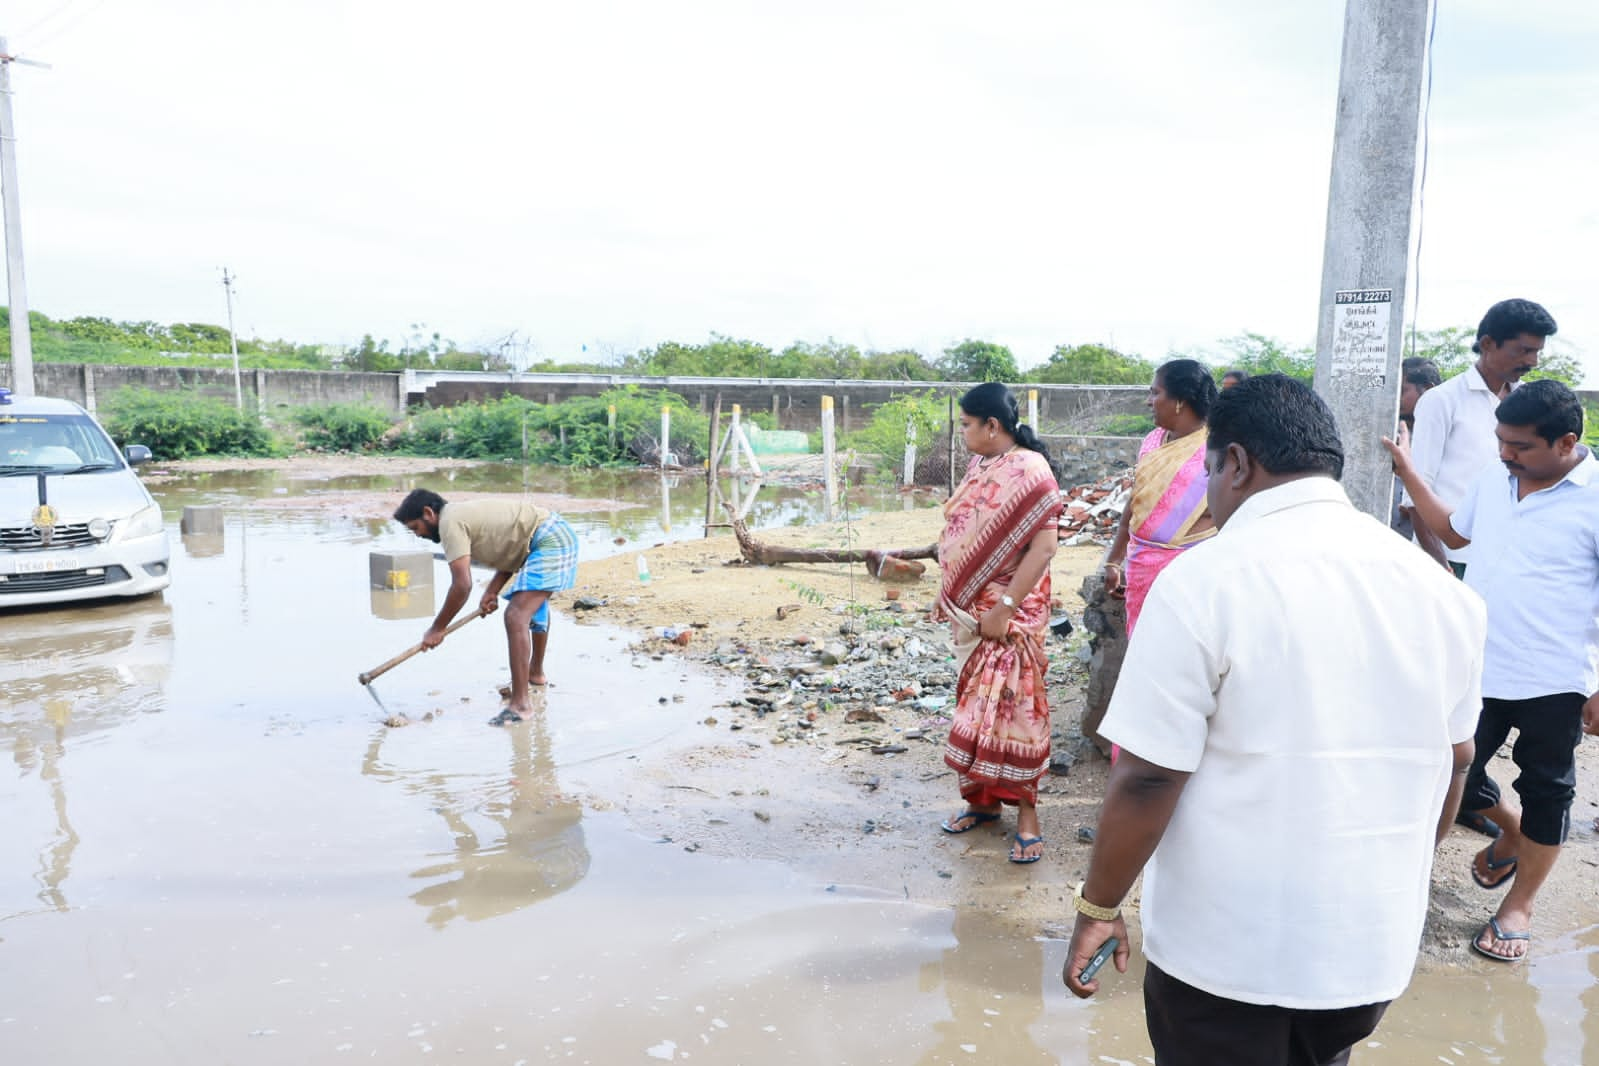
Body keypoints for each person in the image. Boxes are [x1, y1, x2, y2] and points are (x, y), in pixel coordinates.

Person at [1064, 375, 1485, 1066]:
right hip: (1364, 951)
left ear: (1235, 463)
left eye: (1206, 472)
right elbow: (1456, 761)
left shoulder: (1205, 580)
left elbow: (1145, 779)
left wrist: (1098, 909)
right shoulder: (1441, 593)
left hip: (1226, 954)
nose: (1208, 493)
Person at [1386, 379, 1599, 963]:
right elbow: (1455, 532)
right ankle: (1508, 828)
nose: (1506, 454)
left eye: (1521, 446)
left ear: (1566, 442)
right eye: (1501, 441)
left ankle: (1518, 906)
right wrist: (1407, 472)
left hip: (1556, 677)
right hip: (1476, 663)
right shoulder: (1494, 477)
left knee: (1548, 790)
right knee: (1452, 768)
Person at [935, 383, 1062, 865]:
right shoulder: (980, 464)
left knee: (1016, 712)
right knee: (974, 707)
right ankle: (982, 804)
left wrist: (1005, 606)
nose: (962, 431)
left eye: (967, 423)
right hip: (971, 611)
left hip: (1010, 613)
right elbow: (962, 529)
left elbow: (1044, 548)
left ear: (993, 425)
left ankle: (1028, 819)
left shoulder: (1032, 469)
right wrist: (946, 589)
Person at [392, 488, 579, 725]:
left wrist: (437, 628)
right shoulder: (457, 516)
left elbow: (462, 586)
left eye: (415, 528)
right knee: (529, 606)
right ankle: (535, 674)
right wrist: (492, 591)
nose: (418, 535)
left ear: (428, 513)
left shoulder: (450, 523)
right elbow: (513, 549)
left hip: (550, 539)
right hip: (546, 537)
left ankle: (521, 705)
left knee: (516, 615)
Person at [1404, 298, 1557, 577]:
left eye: (1537, 352)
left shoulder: (1530, 403)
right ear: (1487, 344)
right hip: (1452, 560)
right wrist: (1441, 567)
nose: (1532, 362)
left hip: (1510, 560)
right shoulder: (1442, 401)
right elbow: (1416, 491)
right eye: (1524, 350)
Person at [1102, 359, 1219, 634]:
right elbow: (1136, 502)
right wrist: (1114, 559)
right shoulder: (1153, 440)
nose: (1148, 401)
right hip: (1141, 568)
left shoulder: (1217, 446)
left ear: (1180, 400)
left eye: (1155, 393)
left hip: (1191, 575)